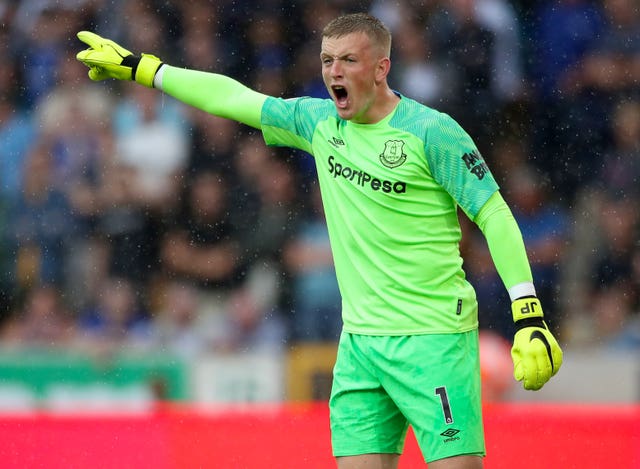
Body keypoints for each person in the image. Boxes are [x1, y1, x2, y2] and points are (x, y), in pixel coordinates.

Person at [75, 12, 563, 468]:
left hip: (432, 340)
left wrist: (528, 313)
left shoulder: (431, 132)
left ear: (381, 67)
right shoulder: (318, 124)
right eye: (327, 60)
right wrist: (144, 68)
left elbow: (494, 215)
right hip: (360, 348)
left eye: (348, 59)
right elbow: (232, 98)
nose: (334, 71)